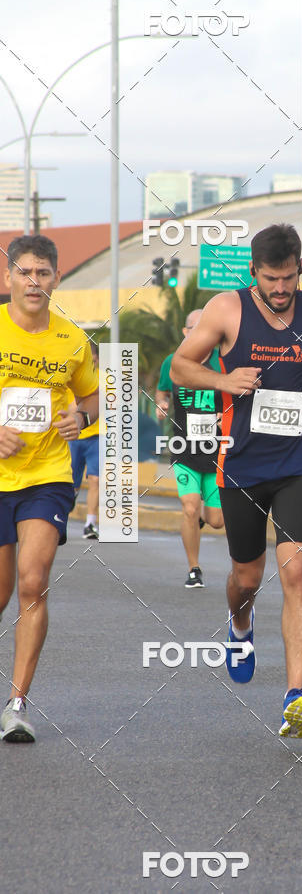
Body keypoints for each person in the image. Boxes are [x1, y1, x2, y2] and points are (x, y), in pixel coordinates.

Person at [171, 223, 302, 738]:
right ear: (253, 272)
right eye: (271, 280)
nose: (281, 289)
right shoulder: (225, 310)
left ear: (300, 268)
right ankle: (239, 625)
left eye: (289, 278)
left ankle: (295, 694)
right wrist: (221, 379)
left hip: (301, 462)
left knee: (297, 572)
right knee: (248, 578)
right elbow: (179, 367)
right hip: (242, 467)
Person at [0, 234, 98, 743]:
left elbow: (95, 396)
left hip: (48, 476)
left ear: (56, 278)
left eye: (43, 273)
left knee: (33, 581)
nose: (33, 281)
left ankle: (16, 704)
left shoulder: (72, 339)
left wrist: (81, 414)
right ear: (8, 277)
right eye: (25, 272)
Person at [156, 310, 224, 588]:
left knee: (217, 521)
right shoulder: (172, 362)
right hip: (184, 447)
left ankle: (197, 522)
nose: (199, 334)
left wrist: (228, 415)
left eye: (204, 328)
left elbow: (242, 393)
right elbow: (163, 391)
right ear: (185, 333)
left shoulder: (223, 361)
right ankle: (194, 568)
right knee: (189, 506)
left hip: (218, 450)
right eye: (193, 329)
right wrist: (161, 404)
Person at [68, 341, 100, 539]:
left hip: (98, 437)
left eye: (94, 359)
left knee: (95, 479)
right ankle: (64, 509)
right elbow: (70, 407)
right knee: (72, 484)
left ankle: (90, 524)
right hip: (75, 436)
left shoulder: (106, 378)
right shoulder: (73, 376)